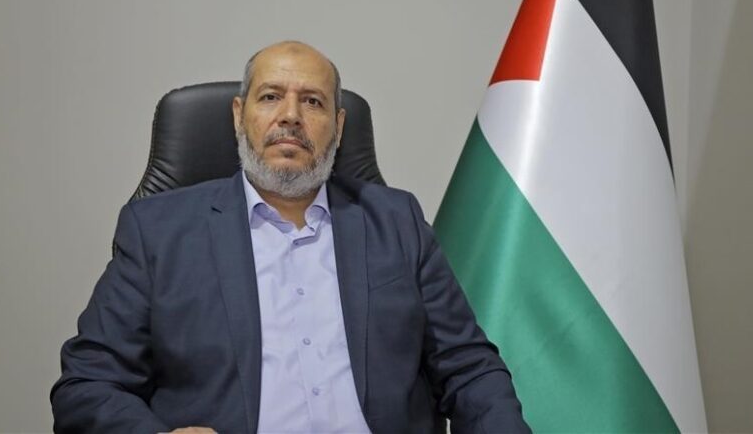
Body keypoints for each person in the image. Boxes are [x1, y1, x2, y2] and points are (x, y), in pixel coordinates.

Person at [51, 41, 530, 434]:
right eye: (269, 97)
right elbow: (87, 384)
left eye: (313, 101)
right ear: (238, 115)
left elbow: (469, 368)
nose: (290, 116)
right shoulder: (158, 231)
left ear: (338, 127)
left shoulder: (395, 220)